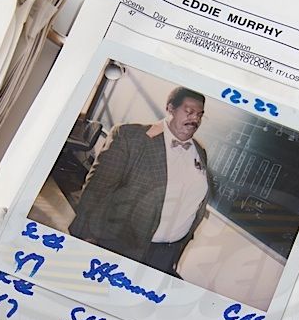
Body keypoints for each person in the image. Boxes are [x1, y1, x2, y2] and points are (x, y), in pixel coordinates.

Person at [69, 86, 214, 276]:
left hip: (166, 255)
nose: (195, 119)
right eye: (189, 111)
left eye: (200, 115)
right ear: (170, 108)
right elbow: (98, 188)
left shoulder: (199, 151)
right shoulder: (130, 137)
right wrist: (86, 235)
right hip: (121, 244)